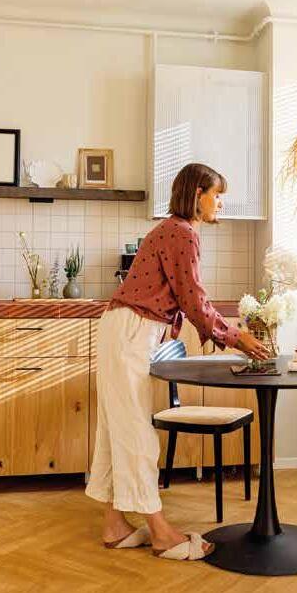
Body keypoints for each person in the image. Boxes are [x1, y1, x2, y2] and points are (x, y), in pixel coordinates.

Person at [85, 162, 268, 560]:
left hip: (126, 329)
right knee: (135, 432)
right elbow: (193, 298)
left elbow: (186, 298)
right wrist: (236, 336)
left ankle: (115, 525)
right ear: (197, 194)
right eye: (216, 195)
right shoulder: (181, 232)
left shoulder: (173, 230)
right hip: (131, 330)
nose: (220, 203)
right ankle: (161, 533)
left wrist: (224, 334)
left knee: (119, 428)